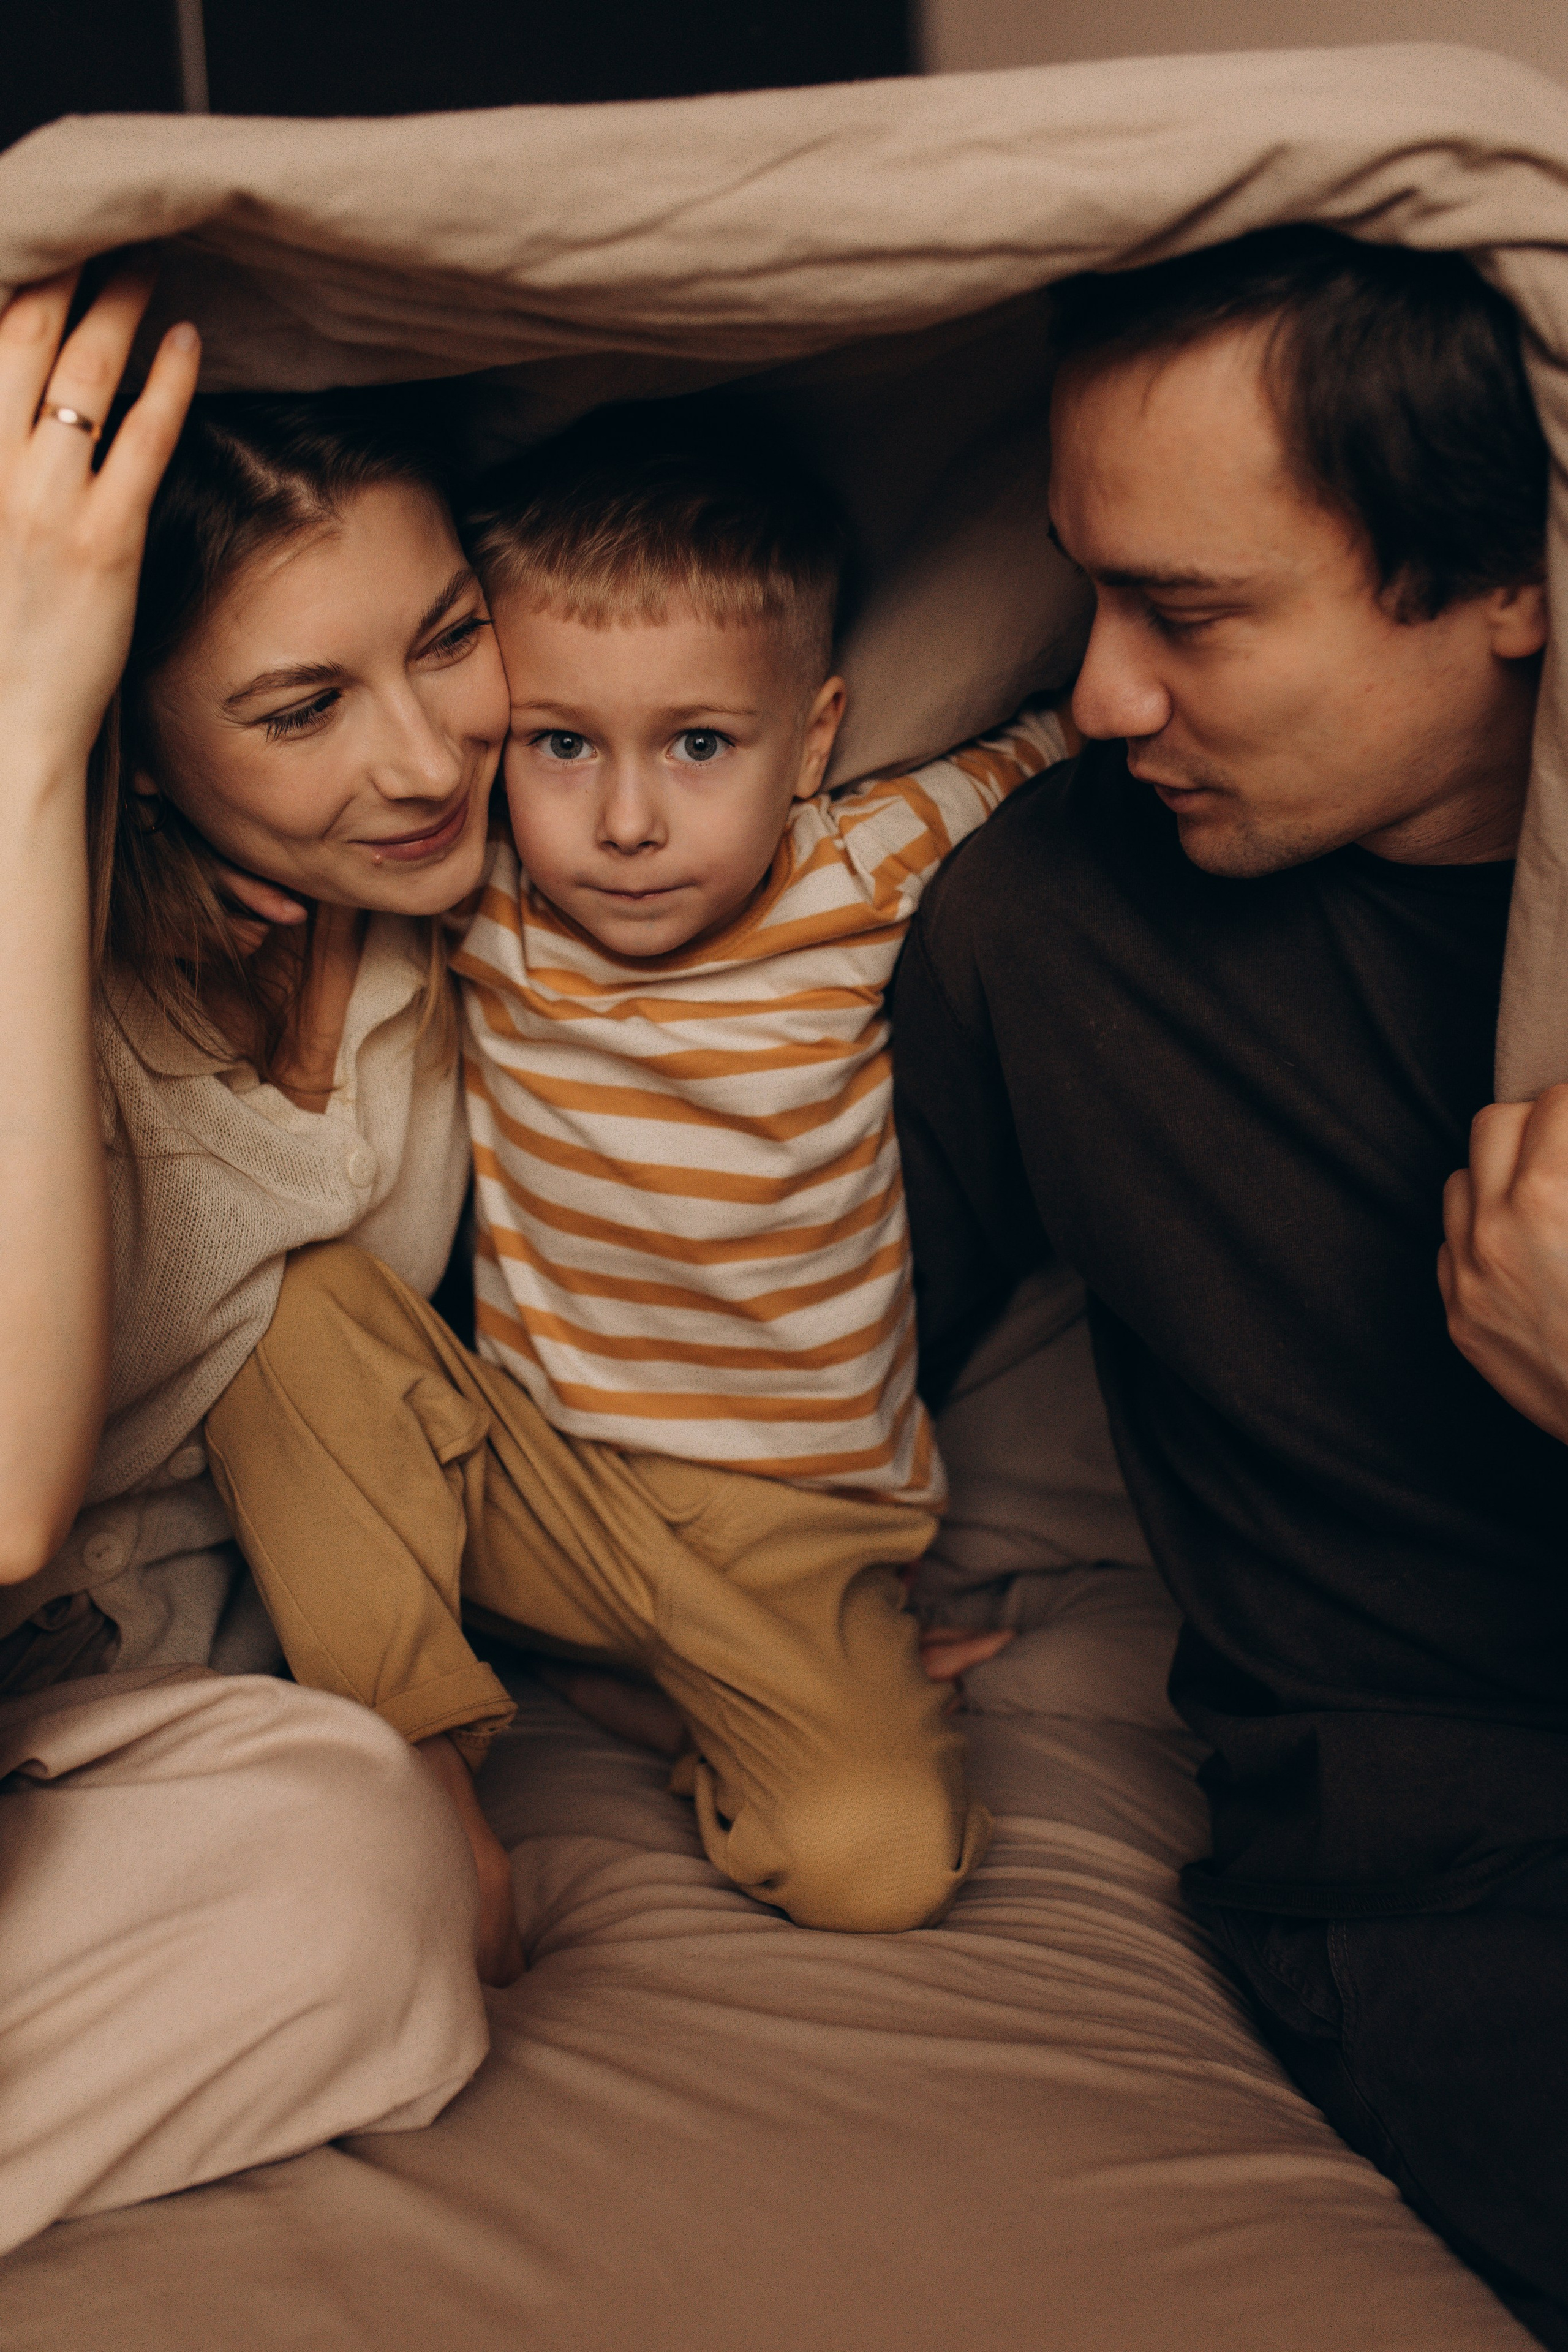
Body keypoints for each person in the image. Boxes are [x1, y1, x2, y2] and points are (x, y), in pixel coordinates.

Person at [890, 225, 1568, 2343]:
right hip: (1441, 1868)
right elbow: (775, 1368)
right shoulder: (1043, 931)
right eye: (1086, 588)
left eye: (1188, 612)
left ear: (1511, 583)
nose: (1097, 695)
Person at [201, 412, 1067, 1936]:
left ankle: (654, 1691)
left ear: (810, 741)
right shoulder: (483, 897)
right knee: (281, 1312)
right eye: (560, 744)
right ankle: (421, 1774)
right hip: (545, 1496)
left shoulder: (864, 866)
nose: (622, 821)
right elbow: (307, 836)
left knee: (877, 1869)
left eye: (700, 745)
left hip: (794, 1538)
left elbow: (1077, 714)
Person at [0, 266, 526, 2252]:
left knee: (369, 1883)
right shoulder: (55, 970)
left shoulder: (471, 891)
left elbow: (919, 588)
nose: (422, 759)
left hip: (127, 1737)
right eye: (302, 709)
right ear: (123, 749)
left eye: (449, 639)